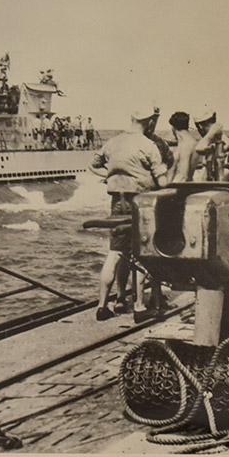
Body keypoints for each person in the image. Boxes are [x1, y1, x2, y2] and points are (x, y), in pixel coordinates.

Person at [89, 107, 169, 322]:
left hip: (117, 202)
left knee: (115, 253)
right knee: (142, 253)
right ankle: (140, 307)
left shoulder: (113, 142)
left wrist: (111, 176)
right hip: (140, 203)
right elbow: (163, 182)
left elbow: (93, 164)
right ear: (149, 122)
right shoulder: (148, 145)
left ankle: (102, 306)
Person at [191, 106, 229, 181]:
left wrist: (210, 134)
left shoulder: (210, 140)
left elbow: (198, 148)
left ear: (200, 126)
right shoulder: (224, 139)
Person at [167, 110, 199, 182]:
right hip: (189, 184)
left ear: (173, 128)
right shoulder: (193, 142)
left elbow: (183, 176)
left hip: (179, 186)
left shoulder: (185, 145)